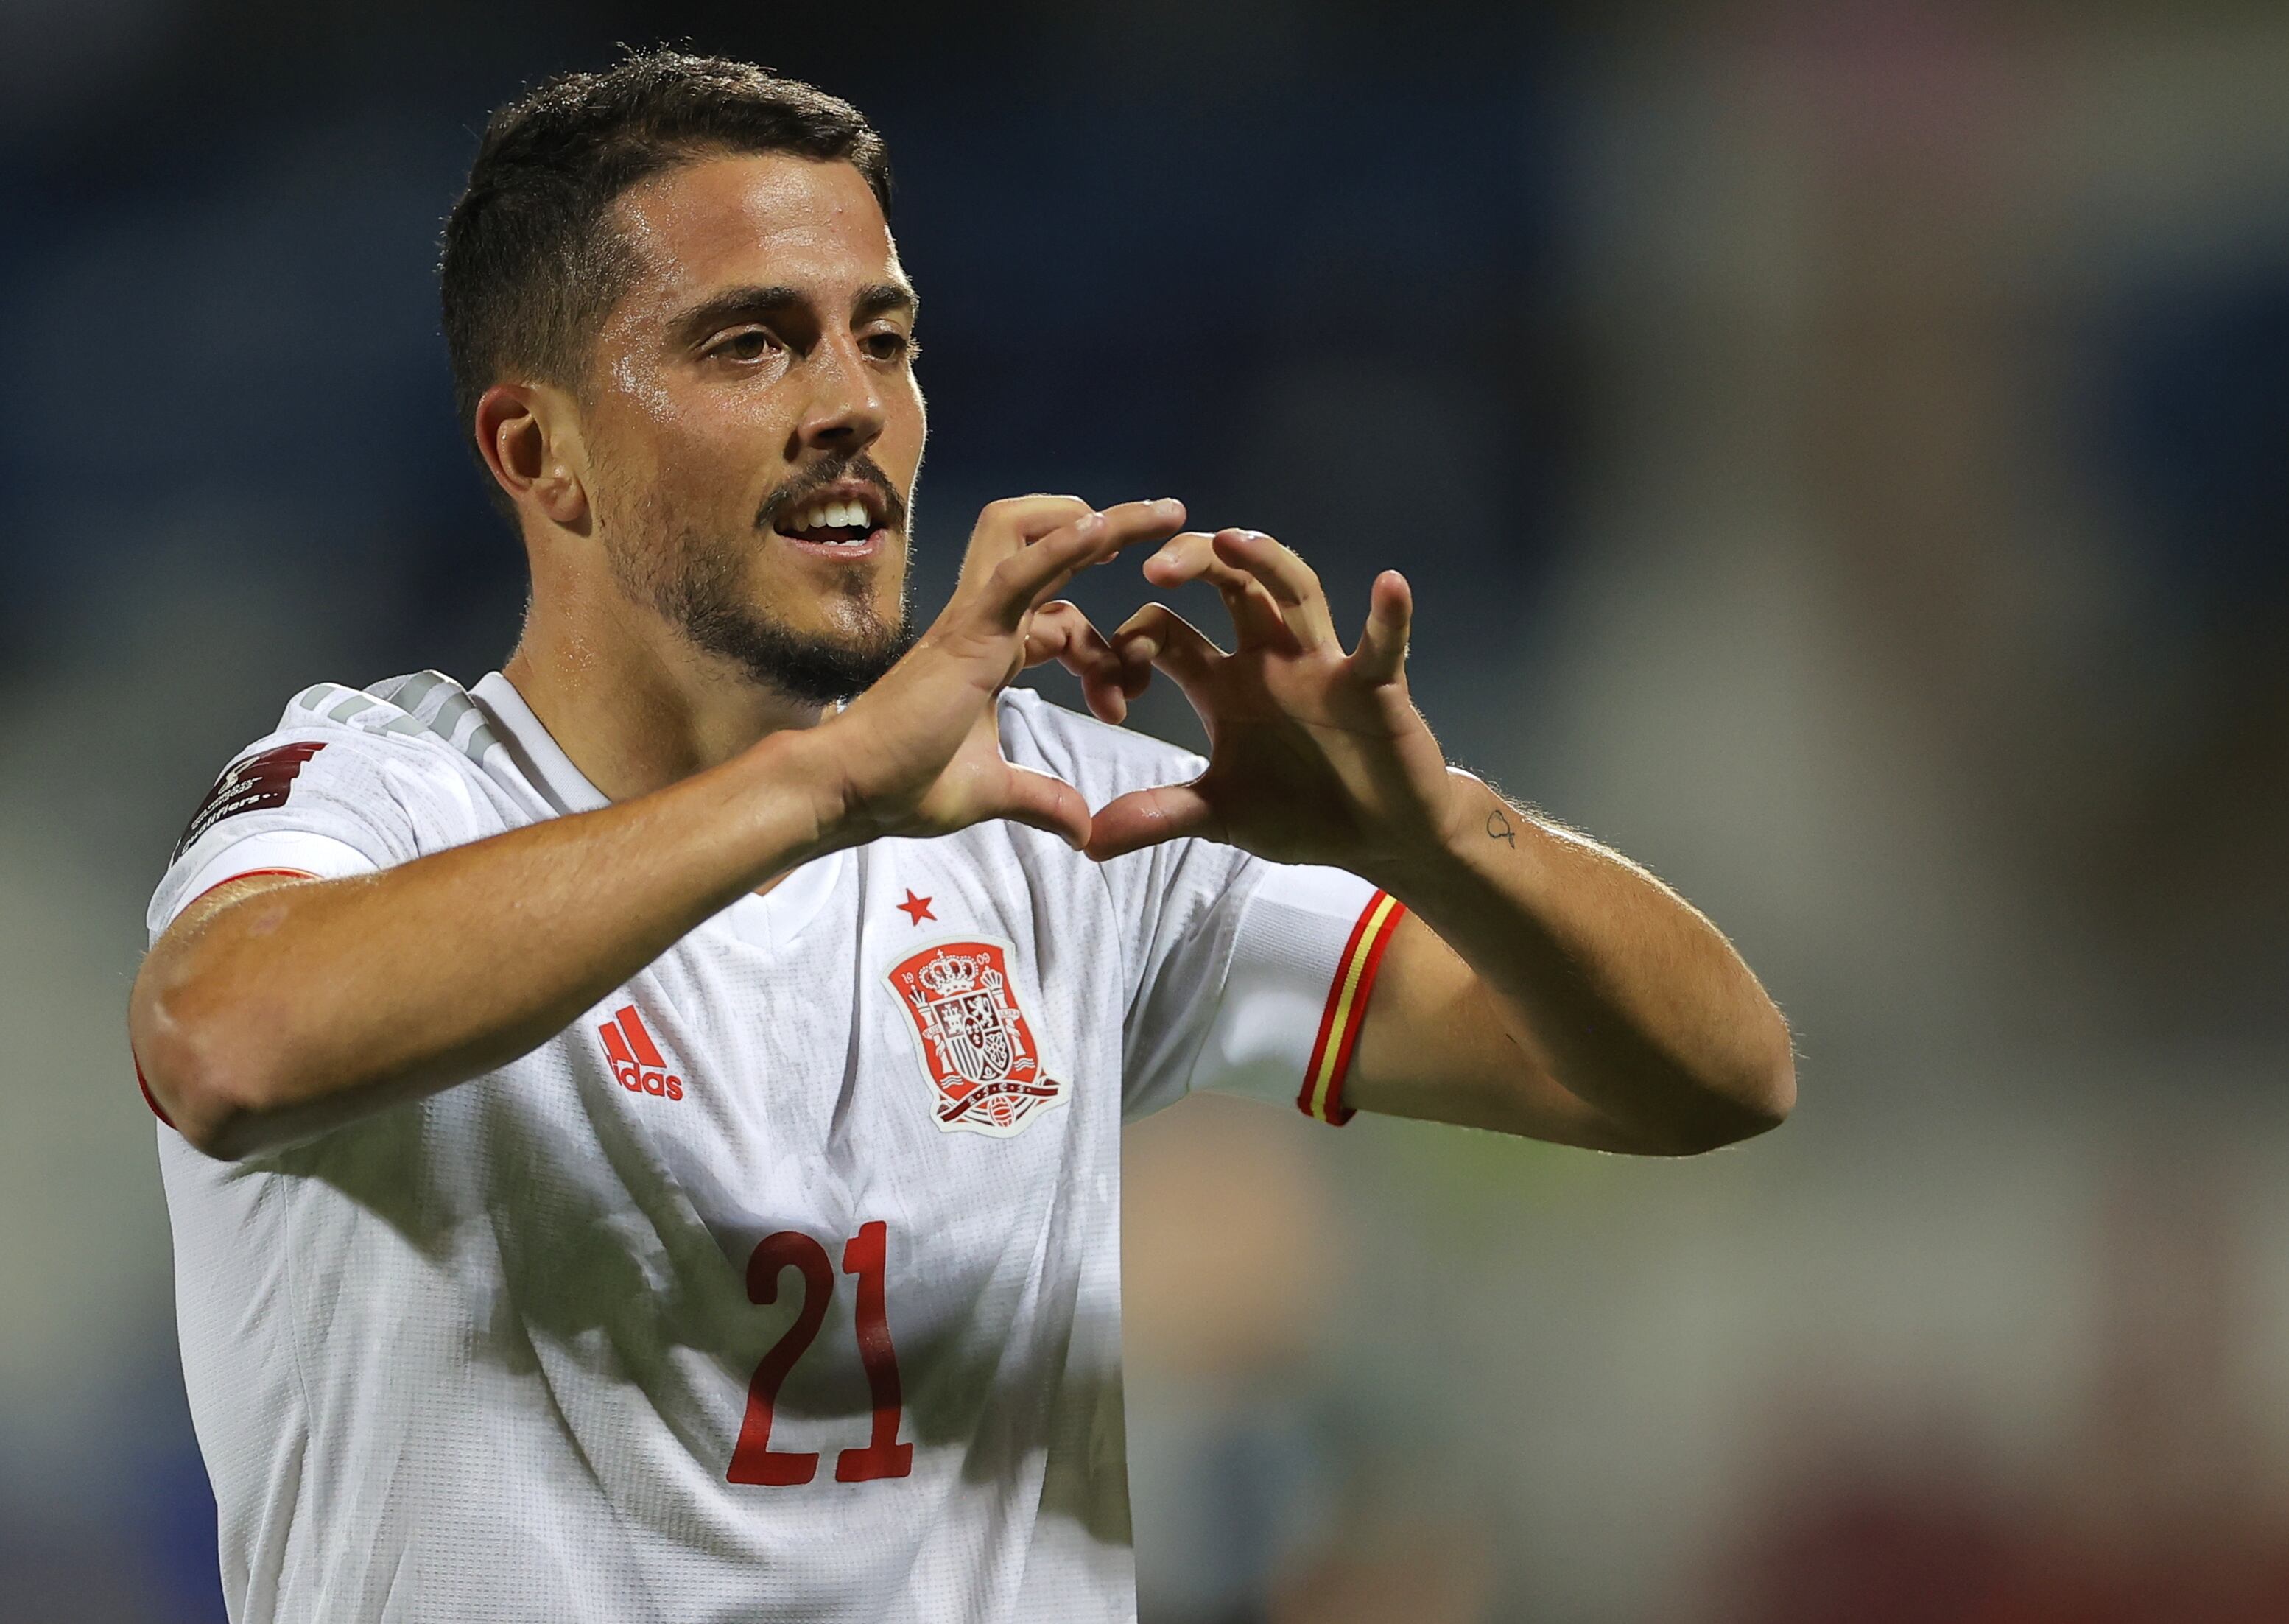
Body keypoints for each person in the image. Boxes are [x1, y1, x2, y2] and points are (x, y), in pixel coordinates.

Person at [127, 49, 1794, 1624]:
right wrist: (831, 783)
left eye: (885, 338)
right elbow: (224, 1041)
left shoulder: (1056, 816)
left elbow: (1714, 1076)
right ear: (537, 449)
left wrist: (1436, 834)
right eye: (750, 344)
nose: (850, 403)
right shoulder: (385, 794)